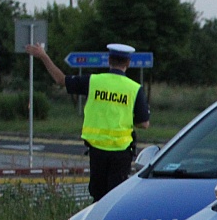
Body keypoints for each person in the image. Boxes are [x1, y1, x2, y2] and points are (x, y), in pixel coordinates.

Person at [25, 42, 150, 201]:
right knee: (116, 198)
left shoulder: (94, 82)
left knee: (98, 197)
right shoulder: (134, 88)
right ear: (128, 63)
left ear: (109, 60)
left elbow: (61, 79)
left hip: (97, 150)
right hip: (121, 152)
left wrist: (43, 56)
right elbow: (144, 123)